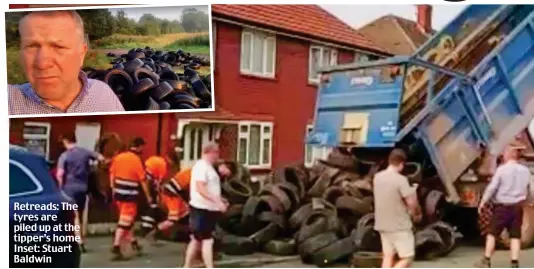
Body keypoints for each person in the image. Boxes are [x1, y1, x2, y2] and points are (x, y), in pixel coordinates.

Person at [9, 10, 124, 115]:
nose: (42, 64)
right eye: (32, 46)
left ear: (81, 54)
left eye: (58, 47)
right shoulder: (9, 101)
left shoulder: (103, 94)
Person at [146, 160, 235, 245]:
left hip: (176, 192)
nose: (225, 176)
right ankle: (154, 232)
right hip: (173, 194)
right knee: (173, 219)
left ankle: (195, 241)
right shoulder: (207, 174)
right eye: (227, 171)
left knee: (187, 217)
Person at [475, 143, 532, 268]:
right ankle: (514, 262)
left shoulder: (502, 170)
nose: (503, 154)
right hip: (517, 208)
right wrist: (527, 202)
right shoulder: (525, 171)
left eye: (505, 152)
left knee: (492, 233)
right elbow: (530, 190)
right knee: (515, 235)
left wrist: (483, 202)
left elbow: (492, 188)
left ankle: (486, 260)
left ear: (510, 154)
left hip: (502, 207)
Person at [56, 132, 104, 253]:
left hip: (69, 189)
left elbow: (60, 174)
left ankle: (78, 241)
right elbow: (101, 158)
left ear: (66, 141)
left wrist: (60, 188)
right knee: (80, 215)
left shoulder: (64, 156)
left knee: (73, 216)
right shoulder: (85, 152)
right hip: (83, 188)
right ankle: (80, 238)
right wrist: (93, 169)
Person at [183, 143, 230, 268]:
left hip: (206, 209)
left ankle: (187, 266)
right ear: (210, 152)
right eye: (217, 153)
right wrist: (217, 202)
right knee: (207, 240)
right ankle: (209, 267)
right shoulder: (201, 167)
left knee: (197, 240)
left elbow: (211, 187)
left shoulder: (208, 167)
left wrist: (221, 199)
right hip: (202, 209)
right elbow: (200, 188)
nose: (218, 156)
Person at [373, 148, 422, 268]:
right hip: (399, 226)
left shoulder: (377, 177)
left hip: (382, 224)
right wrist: (416, 213)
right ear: (401, 164)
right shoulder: (401, 180)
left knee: (388, 256)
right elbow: (411, 203)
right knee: (408, 257)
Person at [109, 137, 155, 260]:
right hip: (130, 193)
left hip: (118, 192)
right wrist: (148, 196)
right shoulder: (137, 160)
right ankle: (116, 246)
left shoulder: (119, 157)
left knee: (127, 220)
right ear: (139, 147)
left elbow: (112, 174)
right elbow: (143, 180)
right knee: (124, 221)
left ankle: (134, 243)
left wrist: (113, 188)